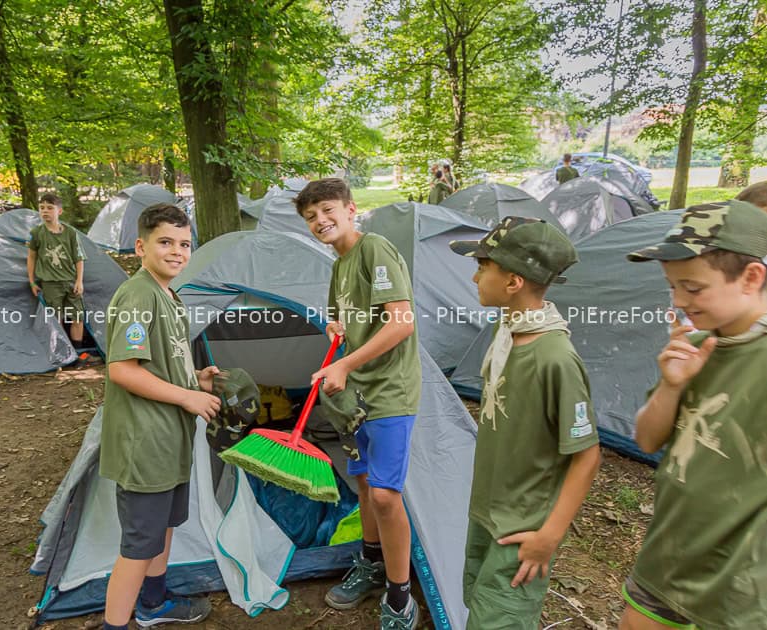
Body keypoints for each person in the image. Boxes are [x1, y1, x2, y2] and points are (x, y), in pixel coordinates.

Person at [619, 200, 767, 629]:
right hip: (666, 559)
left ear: (752, 277)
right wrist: (672, 385)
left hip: (738, 587)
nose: (680, 300)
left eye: (694, 288)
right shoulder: (697, 345)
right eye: (672, 287)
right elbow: (647, 440)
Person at [449, 217, 601, 629]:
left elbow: (586, 456)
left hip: (523, 529)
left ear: (513, 282)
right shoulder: (507, 333)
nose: (476, 276)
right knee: (480, 608)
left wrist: (548, 537)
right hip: (489, 511)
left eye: (483, 267)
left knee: (502, 619)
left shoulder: (555, 358)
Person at [295, 178, 422, 629]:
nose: (320, 221)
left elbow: (401, 323)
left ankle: (401, 594)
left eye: (328, 210)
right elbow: (342, 318)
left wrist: (344, 365)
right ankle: (371, 564)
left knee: (387, 495)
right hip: (357, 398)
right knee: (366, 485)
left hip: (389, 392)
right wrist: (337, 331)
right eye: (310, 217)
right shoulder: (340, 264)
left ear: (351, 210)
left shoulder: (375, 250)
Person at [99, 203, 222, 630]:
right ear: (140, 246)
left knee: (164, 528)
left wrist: (196, 381)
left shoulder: (168, 295)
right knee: (139, 544)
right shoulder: (137, 295)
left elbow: (161, 364)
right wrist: (187, 400)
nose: (177, 252)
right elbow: (123, 370)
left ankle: (153, 603)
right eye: (165, 242)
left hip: (171, 439)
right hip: (144, 442)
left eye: (184, 244)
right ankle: (114, 625)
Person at [27, 192, 88, 359]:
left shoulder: (70, 233)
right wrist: (32, 282)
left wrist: (79, 281)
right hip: (50, 283)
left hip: (70, 282)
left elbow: (79, 258)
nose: (45, 211)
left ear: (59, 211)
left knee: (77, 317)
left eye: (49, 208)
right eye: (42, 208)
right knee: (56, 318)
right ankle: (63, 352)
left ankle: (78, 351)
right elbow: (31, 258)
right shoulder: (37, 233)